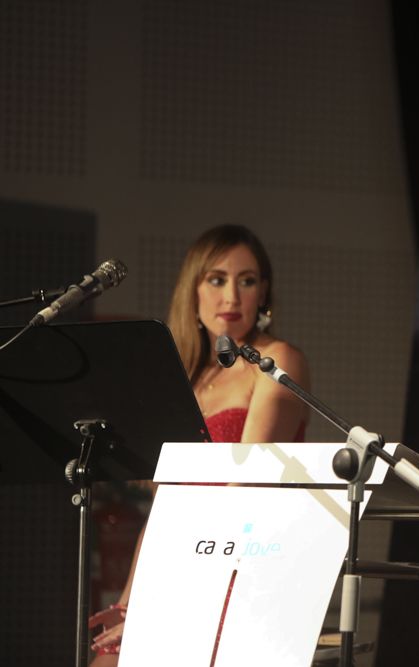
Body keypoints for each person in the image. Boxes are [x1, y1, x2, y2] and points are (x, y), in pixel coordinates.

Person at [88, 224, 310, 664]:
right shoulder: (186, 379)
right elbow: (165, 509)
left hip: (239, 567)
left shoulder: (276, 361)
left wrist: (162, 608)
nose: (231, 297)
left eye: (246, 281)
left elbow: (246, 489)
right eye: (216, 279)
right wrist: (130, 604)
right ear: (193, 289)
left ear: (263, 293)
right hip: (179, 560)